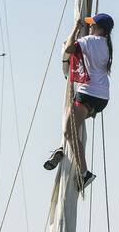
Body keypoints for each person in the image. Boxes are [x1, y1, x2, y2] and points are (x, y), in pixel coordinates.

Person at [43, 13, 114, 191]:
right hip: (102, 97)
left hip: (87, 94)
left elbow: (68, 49)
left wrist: (75, 28)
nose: (90, 27)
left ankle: (84, 173)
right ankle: (62, 148)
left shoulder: (90, 41)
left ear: (100, 28)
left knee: (69, 132)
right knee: (74, 125)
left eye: (92, 25)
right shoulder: (107, 44)